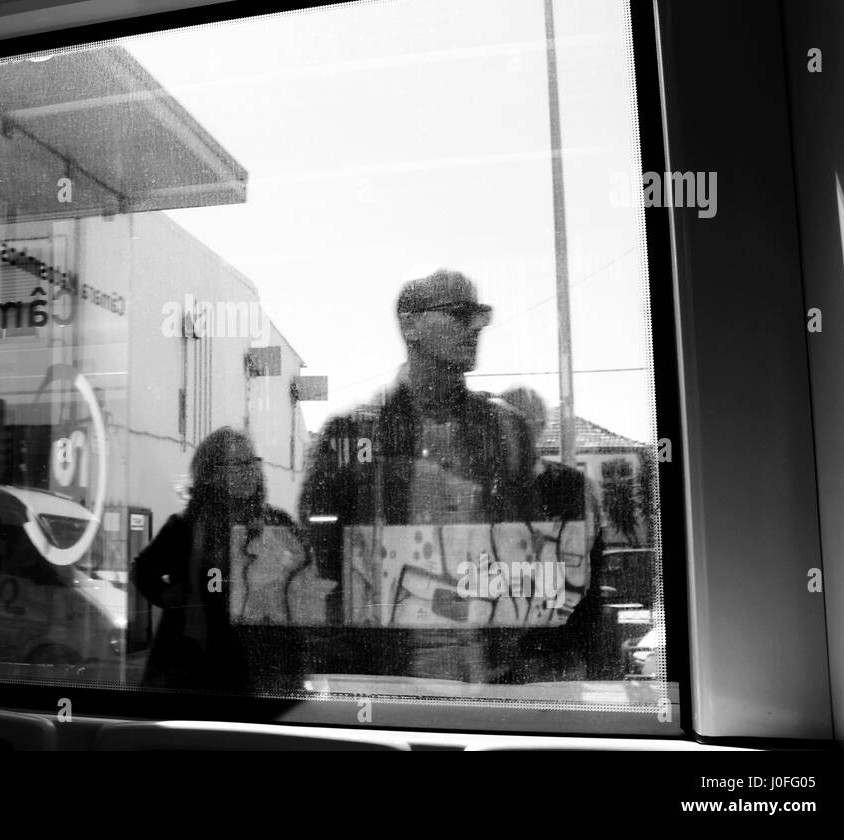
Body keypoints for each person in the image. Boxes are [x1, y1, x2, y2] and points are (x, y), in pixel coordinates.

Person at [298, 269, 597, 682]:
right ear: (410, 325)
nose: (475, 327)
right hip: (391, 675)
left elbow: (527, 551)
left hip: (490, 670)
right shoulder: (353, 433)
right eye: (459, 314)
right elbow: (326, 563)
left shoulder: (505, 430)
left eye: (480, 316)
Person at [131, 428, 304, 693]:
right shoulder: (185, 527)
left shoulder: (277, 524)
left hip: (259, 666)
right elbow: (143, 570)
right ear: (211, 474)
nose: (250, 471)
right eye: (238, 464)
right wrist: (170, 597)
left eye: (252, 462)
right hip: (195, 668)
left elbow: (301, 582)